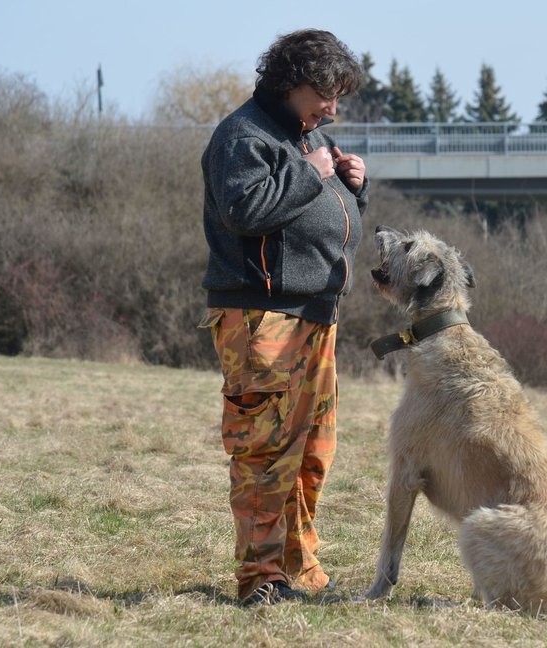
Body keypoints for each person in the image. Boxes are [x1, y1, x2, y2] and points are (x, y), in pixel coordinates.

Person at [198, 29, 367, 605]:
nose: (333, 107)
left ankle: (298, 568)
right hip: (261, 320)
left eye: (339, 96)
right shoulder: (242, 135)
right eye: (327, 92)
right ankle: (261, 581)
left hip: (316, 317)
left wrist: (351, 190)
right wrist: (312, 173)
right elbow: (244, 210)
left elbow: (315, 214)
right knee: (264, 455)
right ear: (292, 81)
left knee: (311, 455)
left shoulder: (307, 137)